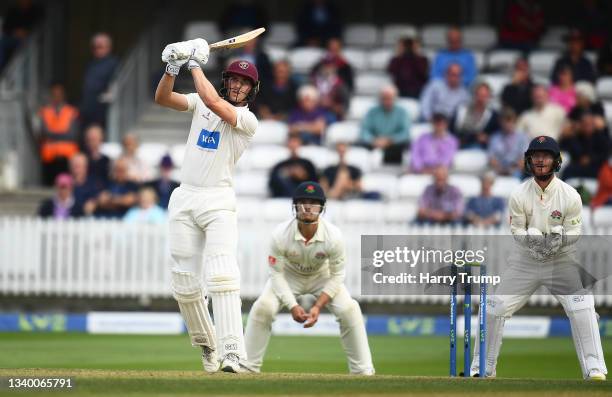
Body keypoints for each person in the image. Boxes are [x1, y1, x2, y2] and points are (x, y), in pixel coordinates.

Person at [155, 38, 259, 373]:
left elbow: (214, 103)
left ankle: (233, 351)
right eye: (234, 80)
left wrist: (195, 63)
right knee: (184, 280)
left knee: (222, 275)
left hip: (218, 201)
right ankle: (207, 346)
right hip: (185, 196)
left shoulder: (246, 119)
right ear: (227, 81)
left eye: (244, 82)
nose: (238, 86)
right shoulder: (201, 100)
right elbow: (162, 98)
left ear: (251, 90)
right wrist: (172, 67)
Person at [469, 135, 607, 380]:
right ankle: (482, 369)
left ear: (556, 161)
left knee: (583, 307)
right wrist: (532, 241)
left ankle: (594, 369)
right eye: (536, 156)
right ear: (528, 161)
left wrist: (560, 239)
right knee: (493, 307)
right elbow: (516, 231)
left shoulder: (570, 195)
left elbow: (575, 232)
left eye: (546, 156)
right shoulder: (519, 194)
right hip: (525, 261)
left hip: (561, 261)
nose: (540, 161)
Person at [244, 181, 375, 375]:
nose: (307, 207)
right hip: (288, 276)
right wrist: (293, 306)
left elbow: (337, 275)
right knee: (263, 307)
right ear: (294, 206)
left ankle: (363, 371)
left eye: (313, 203)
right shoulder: (280, 234)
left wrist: (317, 306)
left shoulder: (334, 236)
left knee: (349, 309)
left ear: (322, 207)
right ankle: (247, 367)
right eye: (302, 202)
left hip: (322, 276)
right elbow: (276, 274)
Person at [37, 83, 80, 186]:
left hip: (67, 156)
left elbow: (72, 135)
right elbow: (43, 133)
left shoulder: (72, 112)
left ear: (64, 95)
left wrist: (53, 135)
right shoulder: (44, 111)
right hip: (49, 156)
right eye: (54, 94)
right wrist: (62, 134)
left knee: (65, 184)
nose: (57, 97)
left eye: (59, 94)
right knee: (48, 185)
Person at [359, 84, 410, 164]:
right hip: (375, 143)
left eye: (390, 98)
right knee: (360, 145)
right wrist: (373, 140)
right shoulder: (372, 112)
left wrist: (389, 140)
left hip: (394, 145)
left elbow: (405, 133)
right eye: (384, 99)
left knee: (405, 145)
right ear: (380, 99)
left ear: (395, 98)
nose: (387, 102)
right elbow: (364, 131)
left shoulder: (402, 112)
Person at [80, 33, 119, 129]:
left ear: (109, 47)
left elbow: (116, 85)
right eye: (94, 47)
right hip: (88, 111)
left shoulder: (113, 64)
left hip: (103, 111)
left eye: (100, 47)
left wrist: (107, 96)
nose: (97, 49)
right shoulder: (91, 64)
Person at [450, 81, 499, 149]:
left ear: (489, 97)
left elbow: (496, 136)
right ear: (474, 95)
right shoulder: (461, 110)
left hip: (479, 147)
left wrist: (488, 138)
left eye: (484, 96)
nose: (481, 99)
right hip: (458, 144)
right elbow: (451, 129)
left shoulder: (493, 116)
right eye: (479, 95)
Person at [561, 112, 609, 179]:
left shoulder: (601, 137)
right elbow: (566, 148)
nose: (587, 127)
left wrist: (590, 159)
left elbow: (604, 155)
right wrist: (572, 133)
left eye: (589, 124)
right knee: (567, 170)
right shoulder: (577, 137)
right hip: (578, 166)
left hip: (596, 167)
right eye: (585, 124)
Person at [0, 0, 43, 71]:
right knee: (3, 42)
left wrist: (27, 32)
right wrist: (15, 32)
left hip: (30, 39)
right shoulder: (13, 11)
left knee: (24, 46)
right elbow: (5, 28)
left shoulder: (36, 10)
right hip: (14, 38)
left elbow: (39, 25)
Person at [488, 108, 530, 178]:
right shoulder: (495, 137)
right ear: (500, 122)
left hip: (516, 170)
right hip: (498, 170)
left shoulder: (522, 137)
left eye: (510, 120)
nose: (508, 124)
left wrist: (512, 170)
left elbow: (524, 159)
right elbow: (491, 158)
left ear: (514, 121)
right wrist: (500, 169)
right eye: (505, 121)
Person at [310, 56, 350, 120]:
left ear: (335, 67)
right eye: (325, 65)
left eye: (330, 66)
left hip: (332, 114)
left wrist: (332, 105)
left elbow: (345, 106)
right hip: (314, 112)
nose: (327, 68)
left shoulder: (340, 84)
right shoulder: (313, 82)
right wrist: (318, 101)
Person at [83, 124, 111, 189]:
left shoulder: (107, 160)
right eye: (89, 140)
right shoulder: (83, 160)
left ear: (101, 139)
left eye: (94, 139)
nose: (91, 142)